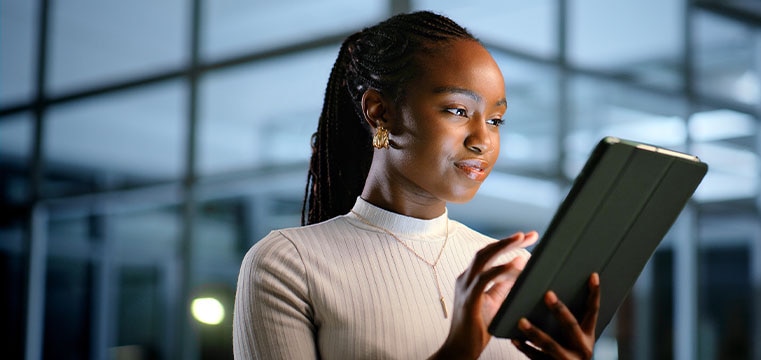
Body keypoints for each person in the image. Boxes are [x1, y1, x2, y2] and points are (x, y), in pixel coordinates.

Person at [233, 11, 601, 359]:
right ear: (380, 112)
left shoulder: (512, 267)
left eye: (495, 120)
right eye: (457, 111)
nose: (483, 140)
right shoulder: (287, 265)